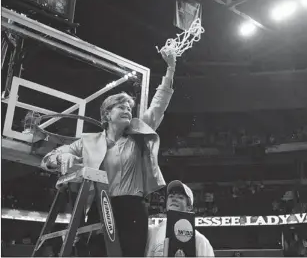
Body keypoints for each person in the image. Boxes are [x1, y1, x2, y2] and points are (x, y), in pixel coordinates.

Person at [41, 52, 177, 256]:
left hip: (133, 208)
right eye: (121, 107)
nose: (127, 110)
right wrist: (61, 158)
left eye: (129, 108)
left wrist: (171, 69)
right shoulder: (88, 142)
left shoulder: (138, 135)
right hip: (99, 206)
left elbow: (158, 105)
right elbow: (47, 159)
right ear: (107, 114)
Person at [145, 180, 214, 257]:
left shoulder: (200, 241)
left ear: (189, 207)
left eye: (180, 197)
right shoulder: (151, 232)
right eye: (171, 196)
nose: (174, 199)